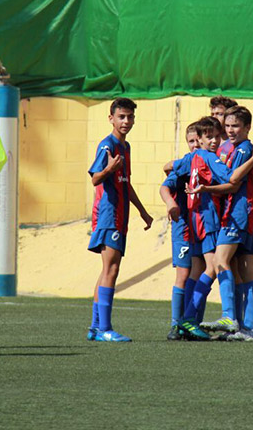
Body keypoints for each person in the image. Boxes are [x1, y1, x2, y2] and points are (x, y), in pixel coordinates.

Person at [174, 117, 253, 340]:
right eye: (208, 136)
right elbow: (232, 178)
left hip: (195, 220)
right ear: (200, 139)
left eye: (216, 135)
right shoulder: (214, 157)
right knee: (215, 266)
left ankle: (185, 320)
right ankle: (194, 318)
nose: (214, 140)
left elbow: (168, 169)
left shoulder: (192, 157)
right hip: (212, 218)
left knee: (203, 268)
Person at [87, 98, 154, 342]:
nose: (126, 121)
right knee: (112, 269)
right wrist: (109, 169)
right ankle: (105, 328)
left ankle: (95, 328)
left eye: (130, 117)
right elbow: (95, 179)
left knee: (107, 269)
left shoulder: (126, 147)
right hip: (108, 213)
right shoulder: (107, 146)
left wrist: (142, 210)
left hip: (121, 214)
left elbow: (126, 183)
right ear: (111, 118)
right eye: (121, 117)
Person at [159, 123, 203, 340]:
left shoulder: (208, 160)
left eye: (198, 140)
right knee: (184, 274)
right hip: (184, 227)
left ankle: (193, 322)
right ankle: (177, 325)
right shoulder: (186, 162)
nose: (195, 145)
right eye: (191, 141)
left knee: (203, 272)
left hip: (204, 226)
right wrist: (170, 203)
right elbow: (165, 185)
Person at [209, 96, 238, 164]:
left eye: (220, 114)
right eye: (212, 114)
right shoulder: (206, 141)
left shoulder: (236, 144)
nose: (214, 117)